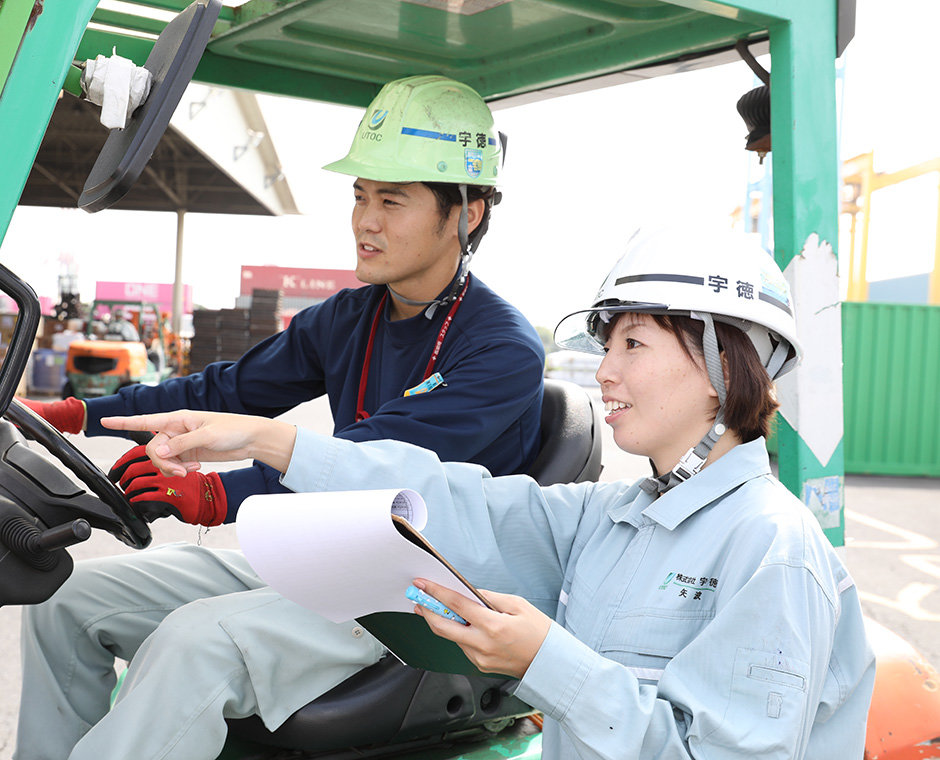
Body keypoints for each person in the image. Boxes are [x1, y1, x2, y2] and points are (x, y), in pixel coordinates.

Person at [103, 229, 876, 759]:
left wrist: (545, 658)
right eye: (606, 346)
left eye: (632, 344)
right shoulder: (613, 518)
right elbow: (455, 500)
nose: (605, 371)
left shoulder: (769, 548)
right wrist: (272, 442)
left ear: (722, 364)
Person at [14, 76, 545, 760]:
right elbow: (230, 389)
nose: (365, 221)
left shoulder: (500, 350)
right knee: (65, 598)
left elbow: (376, 466)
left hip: (423, 599)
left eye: (391, 200)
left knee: (193, 642)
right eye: (359, 196)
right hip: (327, 562)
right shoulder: (349, 316)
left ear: (466, 214)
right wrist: (77, 412)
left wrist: (220, 493)